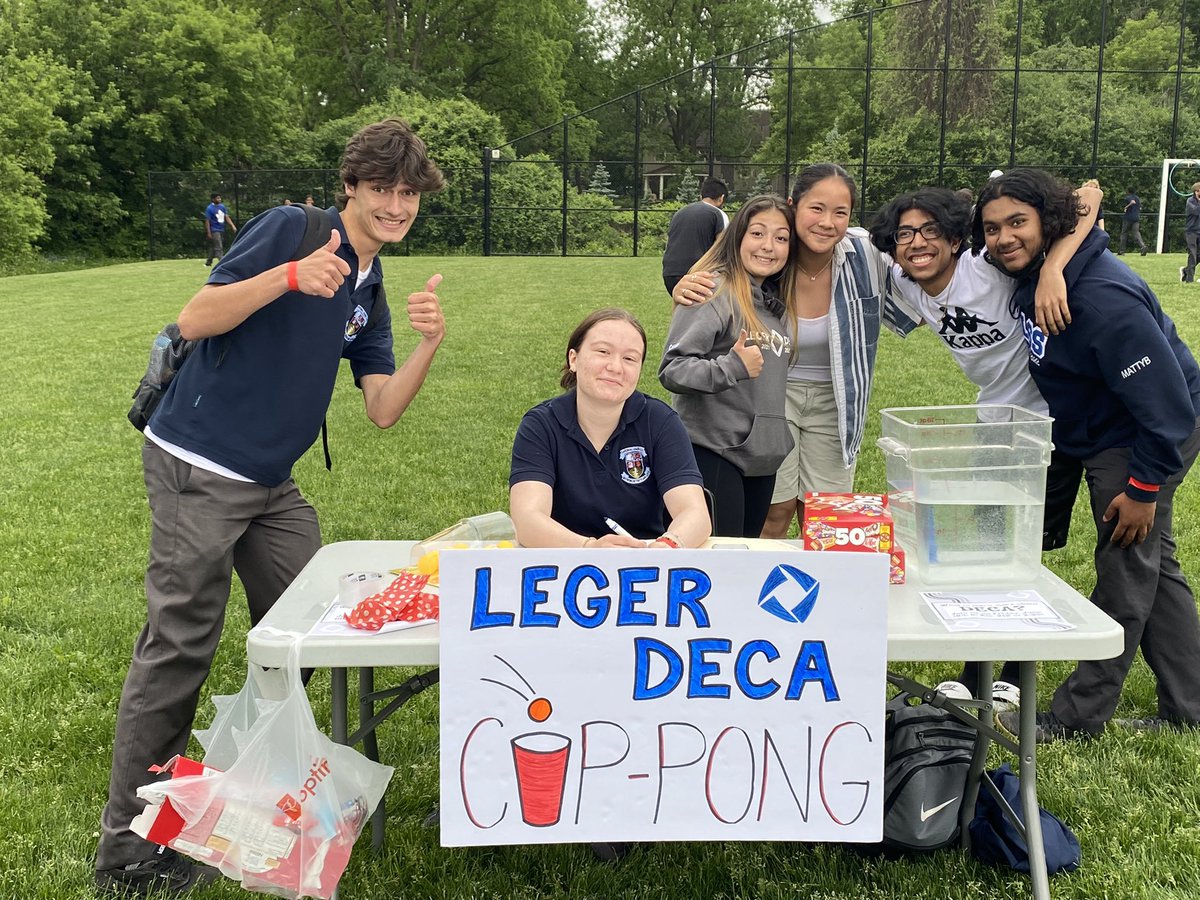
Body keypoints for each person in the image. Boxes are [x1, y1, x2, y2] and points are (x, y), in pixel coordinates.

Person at [95, 118, 448, 895]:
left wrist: (429, 344)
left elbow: (382, 408)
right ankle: (129, 849)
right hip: (200, 464)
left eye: (409, 194)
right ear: (351, 185)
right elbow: (196, 316)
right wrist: (290, 277)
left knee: (310, 624)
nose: (396, 206)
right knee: (181, 643)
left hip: (269, 485)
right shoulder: (297, 230)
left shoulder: (372, 283)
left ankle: (247, 789)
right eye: (382, 189)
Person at [975, 168, 1200, 742]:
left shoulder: (1099, 298)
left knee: (1126, 568)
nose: (1003, 238)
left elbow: (1169, 408)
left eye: (1017, 223)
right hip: (1104, 429)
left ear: (1048, 223)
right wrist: (1052, 265)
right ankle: (1191, 703)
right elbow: (1085, 200)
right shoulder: (1043, 273)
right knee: (1156, 569)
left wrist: (1145, 487)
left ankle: (1077, 717)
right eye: (993, 227)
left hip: (1143, 433)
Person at [867, 183, 1098, 707]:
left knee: (1022, 551)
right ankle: (977, 671)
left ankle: (1014, 677)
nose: (917, 243)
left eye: (930, 231)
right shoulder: (907, 284)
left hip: (1047, 420)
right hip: (995, 419)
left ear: (954, 237)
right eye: (904, 234)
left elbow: (1088, 195)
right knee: (987, 545)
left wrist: (1055, 269)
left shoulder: (985, 265)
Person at [675, 165, 919, 541]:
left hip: (838, 402)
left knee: (826, 515)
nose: (827, 222)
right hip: (770, 398)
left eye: (841, 212)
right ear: (793, 205)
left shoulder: (866, 256)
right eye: (816, 209)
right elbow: (723, 281)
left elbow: (927, 285)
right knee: (775, 511)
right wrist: (685, 285)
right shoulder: (772, 259)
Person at [510, 308, 711, 549]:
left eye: (629, 358)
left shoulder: (660, 421)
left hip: (646, 565)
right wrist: (590, 548)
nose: (615, 367)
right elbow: (527, 521)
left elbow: (695, 513)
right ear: (573, 359)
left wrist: (668, 545)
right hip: (563, 565)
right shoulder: (540, 425)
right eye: (603, 352)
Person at [659, 194, 796, 537]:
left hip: (762, 456)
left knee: (746, 559)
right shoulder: (712, 290)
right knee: (720, 563)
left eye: (781, 238)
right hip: (715, 451)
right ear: (737, 237)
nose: (769, 246)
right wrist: (731, 366)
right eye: (757, 233)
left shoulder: (774, 304)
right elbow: (672, 369)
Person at [661, 176, 728, 296]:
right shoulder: (718, 214)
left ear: (701, 196)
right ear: (721, 198)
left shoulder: (680, 212)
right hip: (698, 275)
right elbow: (724, 248)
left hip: (670, 274)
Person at [203, 192, 237, 266]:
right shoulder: (209, 208)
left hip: (221, 229)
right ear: (213, 199)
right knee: (219, 247)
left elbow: (226, 217)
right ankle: (222, 262)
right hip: (214, 230)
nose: (219, 199)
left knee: (213, 246)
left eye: (220, 198)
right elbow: (207, 221)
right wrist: (209, 232)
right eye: (218, 198)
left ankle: (208, 262)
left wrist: (232, 225)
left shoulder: (222, 207)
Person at [1118, 187, 1147, 256]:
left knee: (1124, 233)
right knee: (1136, 233)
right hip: (1136, 218)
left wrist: (1126, 207)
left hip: (1128, 218)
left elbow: (1132, 202)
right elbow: (1140, 207)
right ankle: (1143, 246)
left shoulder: (1128, 197)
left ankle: (1121, 251)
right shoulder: (1138, 198)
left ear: (1128, 191)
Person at [1182, 181, 1200, 283]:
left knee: (1198, 256)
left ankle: (1185, 270)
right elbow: (1196, 211)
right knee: (1192, 254)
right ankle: (1190, 279)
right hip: (1191, 232)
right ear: (1195, 191)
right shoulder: (1190, 201)